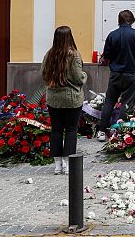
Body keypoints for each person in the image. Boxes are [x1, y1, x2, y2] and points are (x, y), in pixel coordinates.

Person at [97, 10, 135, 142]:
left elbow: (107, 55)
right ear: (132, 20)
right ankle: (120, 130)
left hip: (116, 74)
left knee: (109, 102)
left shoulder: (112, 35)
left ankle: (101, 131)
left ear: (119, 21)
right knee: (126, 102)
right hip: (131, 74)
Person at [41, 26, 87, 175]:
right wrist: (85, 76)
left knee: (56, 130)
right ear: (70, 37)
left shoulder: (49, 54)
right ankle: (67, 164)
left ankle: (57, 165)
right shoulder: (74, 55)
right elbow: (78, 77)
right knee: (71, 130)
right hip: (72, 98)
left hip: (54, 99)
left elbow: (43, 74)